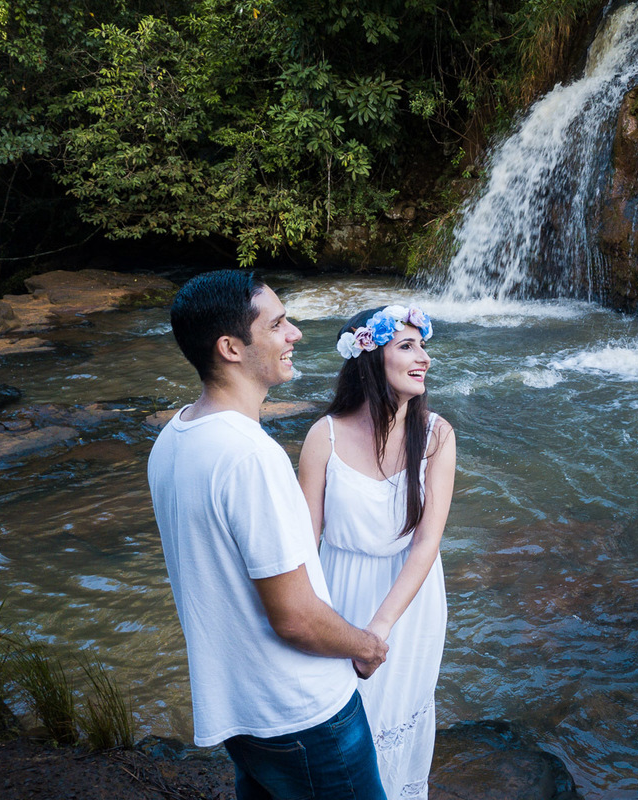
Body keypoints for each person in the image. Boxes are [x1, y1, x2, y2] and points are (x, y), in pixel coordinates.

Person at [147, 270, 390, 800]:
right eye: (278, 324)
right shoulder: (249, 456)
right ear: (231, 347)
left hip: (243, 712)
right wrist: (367, 645)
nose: (295, 333)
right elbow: (296, 617)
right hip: (304, 713)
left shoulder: (174, 437)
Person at [298, 304, 455, 800]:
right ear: (369, 357)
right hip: (339, 596)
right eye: (406, 346)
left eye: (423, 345)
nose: (423, 357)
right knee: (340, 734)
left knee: (398, 723)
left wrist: (381, 627)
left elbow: (428, 541)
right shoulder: (323, 436)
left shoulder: (436, 436)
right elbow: (303, 545)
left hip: (409, 602)